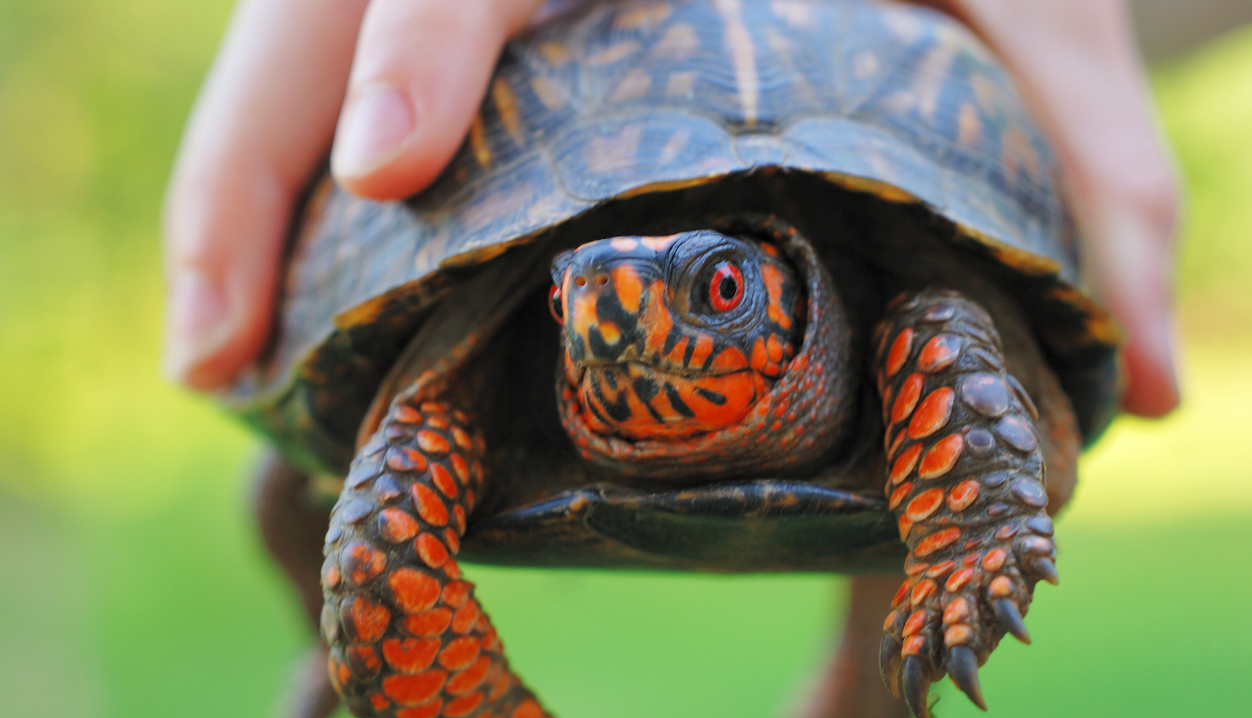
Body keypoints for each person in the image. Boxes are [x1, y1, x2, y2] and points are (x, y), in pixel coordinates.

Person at [162, 0, 1181, 419]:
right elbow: (398, 463)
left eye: (719, 287)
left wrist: (970, 519)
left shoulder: (901, 347)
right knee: (333, 508)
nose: (618, 313)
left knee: (943, 366)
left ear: (791, 293)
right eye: (578, 298)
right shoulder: (490, 383)